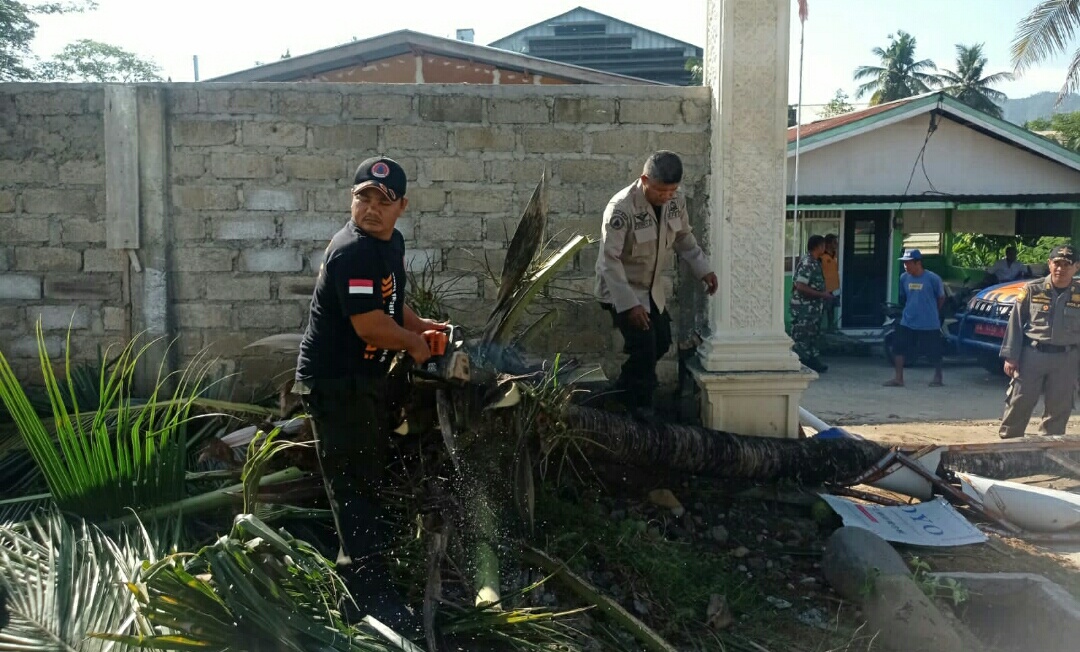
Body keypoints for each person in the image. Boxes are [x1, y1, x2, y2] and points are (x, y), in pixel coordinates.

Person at [293, 156, 445, 627]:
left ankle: (363, 582)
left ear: (402, 206)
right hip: (336, 385)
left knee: (365, 481)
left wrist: (422, 326)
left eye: (383, 200)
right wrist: (415, 346)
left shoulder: (389, 243)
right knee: (354, 491)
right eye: (364, 198)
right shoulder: (352, 251)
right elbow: (371, 326)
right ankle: (366, 601)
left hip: (363, 382)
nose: (372, 209)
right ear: (352, 200)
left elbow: (391, 303)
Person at [595, 150, 718, 421]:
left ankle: (617, 394)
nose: (666, 196)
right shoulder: (621, 209)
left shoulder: (676, 202)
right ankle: (641, 410)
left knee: (661, 341)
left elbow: (684, 238)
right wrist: (630, 305)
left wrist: (704, 269)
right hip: (620, 290)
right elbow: (609, 261)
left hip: (651, 291)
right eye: (661, 191)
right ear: (644, 180)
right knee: (645, 347)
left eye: (672, 190)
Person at [997, 245, 1080, 439]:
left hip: (1066, 358)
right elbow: (1016, 323)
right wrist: (1011, 356)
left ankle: (1049, 447)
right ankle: (1009, 442)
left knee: (1059, 406)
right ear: (1049, 264)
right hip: (1033, 356)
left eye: (1067, 264)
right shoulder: (1033, 289)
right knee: (1020, 400)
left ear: (1076, 267)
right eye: (1057, 263)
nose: (1060, 268)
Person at [884, 249, 945, 387]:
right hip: (908, 320)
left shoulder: (933, 278)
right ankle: (898, 378)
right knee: (899, 348)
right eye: (904, 263)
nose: (906, 266)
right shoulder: (904, 278)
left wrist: (933, 311)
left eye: (909, 263)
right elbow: (905, 296)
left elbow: (941, 297)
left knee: (934, 351)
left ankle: (938, 377)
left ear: (918, 263)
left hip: (929, 322)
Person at [790, 235, 834, 373]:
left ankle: (812, 361)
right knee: (802, 337)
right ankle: (799, 363)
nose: (825, 248)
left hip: (812, 309)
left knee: (812, 336)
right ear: (818, 246)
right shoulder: (808, 263)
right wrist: (822, 295)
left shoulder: (814, 262)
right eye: (823, 245)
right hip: (804, 309)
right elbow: (800, 286)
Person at [821, 233, 841, 330]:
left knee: (832, 310)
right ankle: (817, 330)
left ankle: (831, 329)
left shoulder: (835, 256)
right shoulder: (822, 257)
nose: (836, 244)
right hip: (826, 288)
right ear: (828, 244)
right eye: (834, 242)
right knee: (823, 309)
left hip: (835, 288)